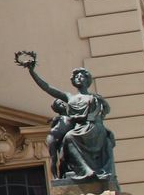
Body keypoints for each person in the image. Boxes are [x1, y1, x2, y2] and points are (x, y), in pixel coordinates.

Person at [17, 51, 117, 182]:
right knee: (69, 138)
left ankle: (93, 171)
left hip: (95, 129)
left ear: (87, 80)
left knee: (90, 137)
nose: (78, 78)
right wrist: (32, 72)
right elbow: (47, 88)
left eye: (81, 76)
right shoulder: (70, 97)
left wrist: (102, 103)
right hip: (79, 129)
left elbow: (106, 111)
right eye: (76, 76)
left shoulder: (94, 97)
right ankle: (85, 170)